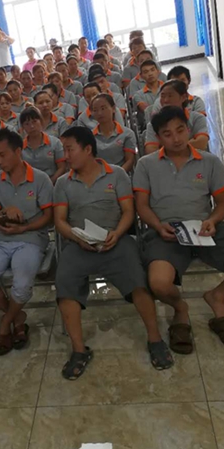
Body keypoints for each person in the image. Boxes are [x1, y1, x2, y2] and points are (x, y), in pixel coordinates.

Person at [53, 127, 173, 379]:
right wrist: (77, 237)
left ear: (87, 149)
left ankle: (155, 339)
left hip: (116, 241)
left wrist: (117, 233)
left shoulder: (116, 174)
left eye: (70, 149)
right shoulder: (63, 182)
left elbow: (129, 212)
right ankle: (79, 350)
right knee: (65, 284)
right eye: (64, 150)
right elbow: (60, 221)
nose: (66, 156)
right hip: (79, 243)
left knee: (138, 282)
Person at [133, 106, 224, 354]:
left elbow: (223, 203)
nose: (176, 138)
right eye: (167, 134)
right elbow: (142, 206)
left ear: (189, 129)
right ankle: (180, 309)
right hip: (166, 232)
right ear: (158, 138)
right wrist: (158, 225)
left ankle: (218, 297)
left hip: (206, 228)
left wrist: (213, 220)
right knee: (159, 283)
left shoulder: (209, 161)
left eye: (180, 130)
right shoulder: (146, 164)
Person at [0, 129, 53, 355]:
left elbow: (49, 217)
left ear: (18, 152)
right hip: (1, 240)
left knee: (21, 284)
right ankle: (18, 318)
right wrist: (5, 212)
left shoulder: (40, 179)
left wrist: (25, 227)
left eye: (3, 155)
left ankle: (5, 323)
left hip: (31, 240)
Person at [144, 83, 209, 154]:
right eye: (162, 96)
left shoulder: (197, 118)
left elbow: (201, 144)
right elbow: (151, 151)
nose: (165, 100)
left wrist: (167, 149)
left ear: (183, 97)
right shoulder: (153, 124)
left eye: (170, 96)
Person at [91, 95, 137, 172]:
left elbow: (130, 161)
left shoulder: (127, 134)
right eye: (95, 110)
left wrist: (116, 175)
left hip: (121, 174)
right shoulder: (90, 136)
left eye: (103, 108)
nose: (99, 113)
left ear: (113, 108)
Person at [20, 107, 66, 182]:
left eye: (34, 121)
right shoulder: (20, 147)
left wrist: (49, 182)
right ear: (23, 127)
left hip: (52, 182)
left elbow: (62, 168)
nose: (32, 126)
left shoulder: (55, 143)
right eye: (27, 124)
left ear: (41, 121)